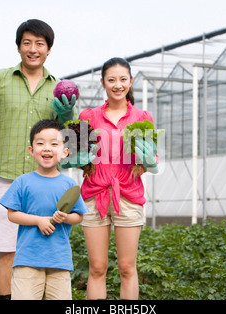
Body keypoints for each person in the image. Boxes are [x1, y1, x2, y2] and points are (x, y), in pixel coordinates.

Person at [0, 19, 77, 300]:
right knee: (8, 248)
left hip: (46, 180)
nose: (33, 49)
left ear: (49, 49)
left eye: (40, 43)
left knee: (45, 245)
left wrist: (67, 116)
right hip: (8, 176)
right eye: (27, 43)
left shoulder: (61, 88)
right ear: (18, 47)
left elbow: (72, 139)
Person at [63, 57, 158, 299]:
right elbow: (72, 154)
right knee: (97, 268)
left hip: (128, 195)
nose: (118, 85)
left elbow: (151, 159)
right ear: (103, 82)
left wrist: (149, 159)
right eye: (112, 80)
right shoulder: (89, 116)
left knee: (127, 267)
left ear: (130, 82)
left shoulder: (141, 116)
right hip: (94, 195)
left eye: (123, 79)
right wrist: (74, 154)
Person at [0, 119, 88, 300]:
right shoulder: (22, 182)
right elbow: (12, 214)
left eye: (54, 144)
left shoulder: (69, 184)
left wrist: (66, 218)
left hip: (59, 261)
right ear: (31, 150)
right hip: (27, 261)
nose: (47, 148)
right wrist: (38, 220)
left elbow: (78, 216)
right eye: (40, 143)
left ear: (65, 152)